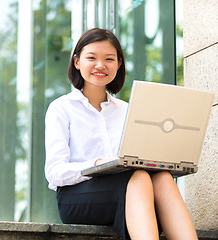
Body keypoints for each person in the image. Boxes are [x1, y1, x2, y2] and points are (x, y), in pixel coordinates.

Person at [44, 28, 198, 240]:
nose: (101, 65)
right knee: (139, 178)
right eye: (92, 58)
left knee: (162, 177)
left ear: (118, 64)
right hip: (78, 198)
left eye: (109, 59)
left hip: (134, 192)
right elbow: (54, 173)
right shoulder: (61, 108)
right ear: (77, 62)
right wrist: (97, 164)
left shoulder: (128, 110)